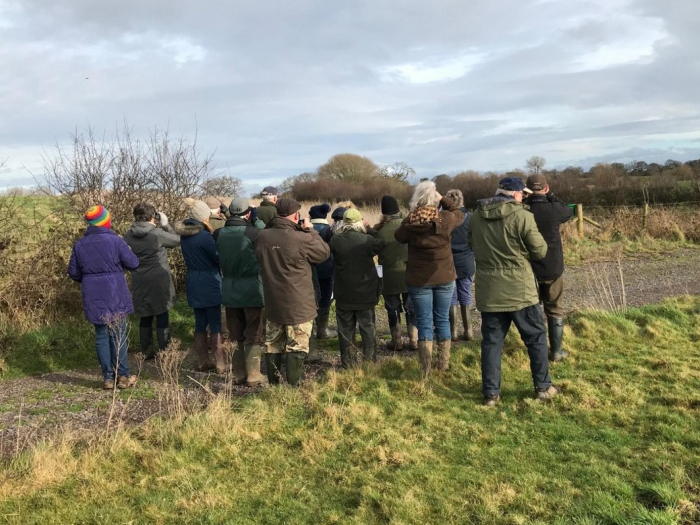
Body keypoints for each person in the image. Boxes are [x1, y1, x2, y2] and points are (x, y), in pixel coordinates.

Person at [469, 177, 559, 406]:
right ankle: (543, 387)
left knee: (491, 343)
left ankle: (491, 394)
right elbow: (540, 250)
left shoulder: (476, 217)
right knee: (536, 339)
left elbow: (472, 244)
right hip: (520, 290)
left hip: (489, 291)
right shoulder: (523, 216)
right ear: (517, 194)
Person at [255, 198, 330, 386]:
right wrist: (310, 230)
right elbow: (323, 253)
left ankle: (274, 384)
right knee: (297, 345)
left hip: (273, 300)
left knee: (273, 344)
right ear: (295, 215)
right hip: (299, 302)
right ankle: (293, 386)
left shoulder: (262, 237)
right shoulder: (301, 238)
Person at [395, 182, 465, 377]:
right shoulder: (445, 219)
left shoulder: (411, 222)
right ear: (434, 198)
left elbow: (398, 236)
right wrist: (442, 198)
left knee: (424, 321)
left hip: (419, 279)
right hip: (444, 276)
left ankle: (425, 369)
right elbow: (460, 213)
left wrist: (413, 212)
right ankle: (442, 365)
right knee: (442, 319)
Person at [68, 206, 139, 390]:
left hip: (93, 295)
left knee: (101, 335)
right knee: (118, 335)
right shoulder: (116, 241)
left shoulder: (79, 245)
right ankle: (123, 376)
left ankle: (108, 377)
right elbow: (133, 263)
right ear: (106, 221)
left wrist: (90, 279)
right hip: (115, 292)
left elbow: (74, 273)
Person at [214, 197, 267, 386]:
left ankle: (239, 374)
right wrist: (257, 217)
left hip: (229, 289)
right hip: (253, 289)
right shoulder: (254, 232)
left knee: (236, 334)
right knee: (254, 332)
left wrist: (229, 215)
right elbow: (266, 233)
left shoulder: (218, 233)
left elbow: (231, 228)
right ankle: (254, 375)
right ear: (247, 213)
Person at [525, 174, 574, 362]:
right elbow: (568, 210)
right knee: (554, 308)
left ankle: (537, 351)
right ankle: (556, 351)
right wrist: (550, 194)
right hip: (553, 267)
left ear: (527, 190)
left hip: (530, 269)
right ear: (545, 188)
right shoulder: (554, 209)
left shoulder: (523, 210)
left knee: (533, 310)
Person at [330, 209, 386, 368]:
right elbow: (382, 242)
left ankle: (349, 364)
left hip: (344, 293)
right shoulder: (367, 240)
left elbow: (324, 245)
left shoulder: (336, 240)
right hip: (365, 293)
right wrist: (369, 229)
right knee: (367, 328)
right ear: (359, 222)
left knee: (345, 330)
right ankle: (369, 362)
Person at [173, 199, 224, 374]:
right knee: (215, 323)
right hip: (209, 279)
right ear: (203, 217)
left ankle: (203, 361)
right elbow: (218, 258)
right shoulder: (205, 236)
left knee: (200, 323)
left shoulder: (185, 236)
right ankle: (220, 363)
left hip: (193, 280)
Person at [124, 203, 181, 360]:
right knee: (162, 312)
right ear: (152, 217)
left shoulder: (128, 235)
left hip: (139, 278)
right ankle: (165, 350)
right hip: (159, 279)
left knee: (145, 314)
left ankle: (147, 351)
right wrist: (166, 224)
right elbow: (177, 240)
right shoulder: (158, 234)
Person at [374, 195, 417, 351]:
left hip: (388, 275)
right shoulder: (408, 226)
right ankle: (414, 340)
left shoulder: (378, 230)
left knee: (392, 308)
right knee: (411, 307)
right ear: (398, 210)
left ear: (383, 212)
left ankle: (396, 340)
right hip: (408, 272)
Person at [445, 189, 476, 342]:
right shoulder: (470, 218)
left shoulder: (444, 219)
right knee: (466, 294)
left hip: (448, 262)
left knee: (452, 297)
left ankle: (453, 332)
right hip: (467, 261)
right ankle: (469, 331)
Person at [204, 196, 232, 341]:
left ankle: (210, 336)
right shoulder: (222, 224)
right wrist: (227, 213)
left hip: (204, 268)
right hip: (220, 266)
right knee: (222, 304)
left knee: (208, 303)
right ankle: (224, 337)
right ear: (219, 209)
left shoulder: (202, 223)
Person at [309, 203, 335, 340]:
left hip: (309, 270)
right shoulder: (329, 230)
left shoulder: (304, 230)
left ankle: (310, 331)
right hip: (327, 269)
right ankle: (322, 330)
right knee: (325, 298)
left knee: (309, 299)